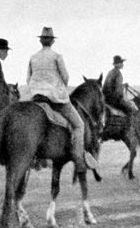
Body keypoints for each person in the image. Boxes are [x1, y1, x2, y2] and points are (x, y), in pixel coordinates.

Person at [27, 27, 97, 170]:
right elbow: (65, 77)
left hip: (36, 98)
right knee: (79, 125)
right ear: (52, 42)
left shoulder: (33, 57)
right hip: (54, 98)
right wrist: (60, 90)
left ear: (41, 41)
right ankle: (78, 159)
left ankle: (34, 159)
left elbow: (28, 79)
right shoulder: (57, 56)